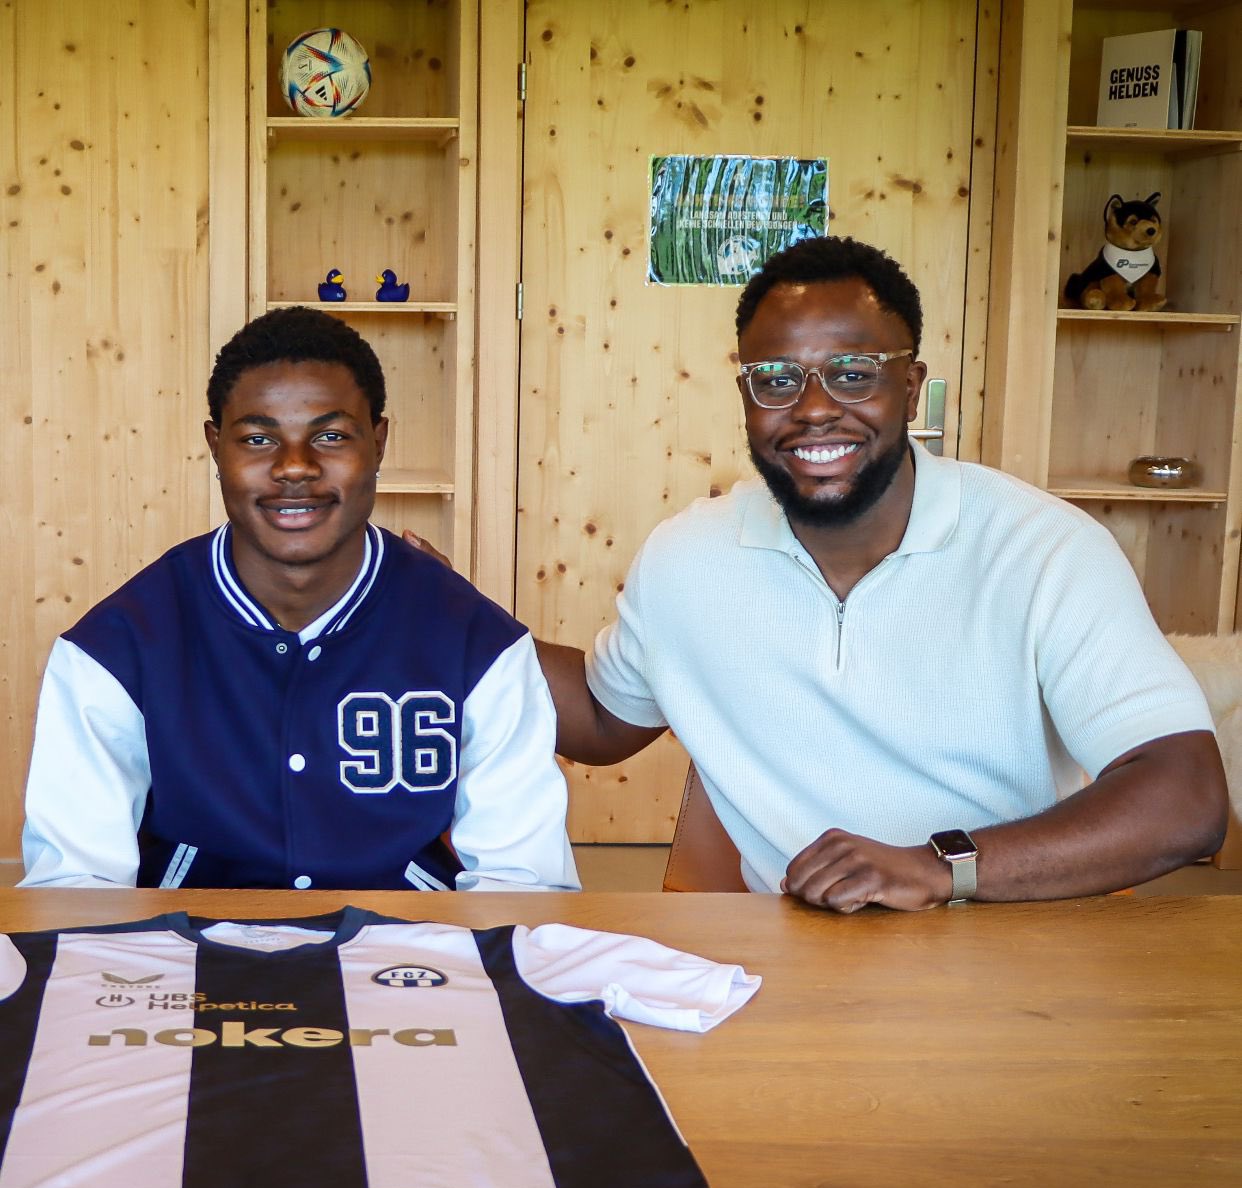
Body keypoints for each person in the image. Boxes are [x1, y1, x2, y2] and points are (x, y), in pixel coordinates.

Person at [455, 235, 1227, 912]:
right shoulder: (686, 557)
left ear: (911, 386)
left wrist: (939, 868)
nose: (814, 408)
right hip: (793, 954)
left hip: (1006, 943)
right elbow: (600, 717)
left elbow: (1186, 797)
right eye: (777, 379)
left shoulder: (1044, 550)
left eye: (854, 373)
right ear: (746, 396)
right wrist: (436, 606)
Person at [21, 307, 579, 893]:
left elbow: (522, 885)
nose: (294, 467)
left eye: (331, 436)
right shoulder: (118, 645)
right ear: (215, 446)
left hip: (409, 942)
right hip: (188, 942)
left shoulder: (474, 640)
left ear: (378, 443)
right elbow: (75, 888)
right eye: (258, 439)